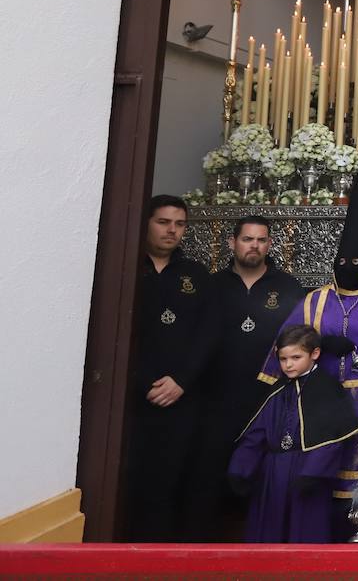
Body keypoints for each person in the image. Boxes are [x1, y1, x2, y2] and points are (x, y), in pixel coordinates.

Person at [258, 155, 358, 539]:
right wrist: (317, 346)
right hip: (317, 398)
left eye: (357, 260)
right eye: (343, 260)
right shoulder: (315, 300)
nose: (349, 265)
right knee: (318, 467)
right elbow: (286, 344)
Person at [192, 215, 305, 538]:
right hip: (215, 397)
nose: (254, 245)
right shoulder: (211, 285)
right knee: (211, 474)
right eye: (247, 239)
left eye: (261, 240)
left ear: (269, 245)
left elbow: (298, 338)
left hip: (267, 398)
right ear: (232, 243)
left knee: (261, 474)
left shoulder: (287, 286)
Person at [125, 195, 213, 541]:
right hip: (133, 396)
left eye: (179, 224)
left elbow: (208, 335)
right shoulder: (126, 269)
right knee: (131, 481)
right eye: (163, 222)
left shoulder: (196, 275)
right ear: (146, 222)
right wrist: (142, 381)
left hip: (181, 397)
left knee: (173, 480)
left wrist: (182, 381)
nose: (172, 230)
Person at [229, 325, 358, 543]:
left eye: (296, 357)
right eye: (283, 359)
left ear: (315, 354)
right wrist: (240, 469)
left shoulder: (327, 389)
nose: (288, 365)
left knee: (304, 534)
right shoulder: (278, 389)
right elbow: (257, 434)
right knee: (269, 535)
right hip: (273, 474)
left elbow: (331, 440)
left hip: (307, 475)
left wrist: (313, 473)